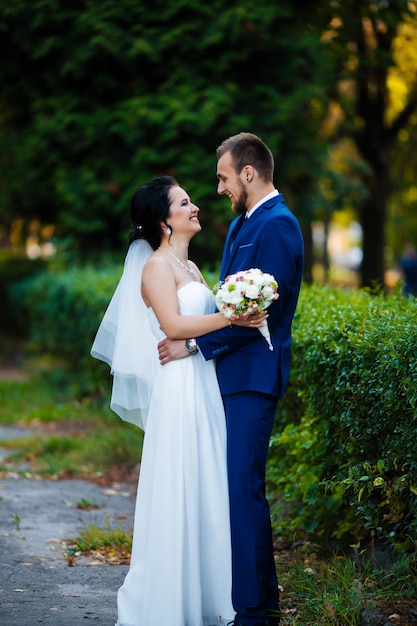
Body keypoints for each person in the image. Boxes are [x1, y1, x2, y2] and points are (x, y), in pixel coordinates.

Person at [90, 175, 267, 626]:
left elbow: (200, 331)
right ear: (164, 221)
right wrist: (231, 317)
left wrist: (231, 319)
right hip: (180, 390)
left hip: (202, 382)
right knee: (182, 480)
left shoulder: (192, 270)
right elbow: (173, 325)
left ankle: (211, 596)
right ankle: (171, 598)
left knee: (208, 481)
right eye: (184, 203)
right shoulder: (157, 266)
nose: (195, 208)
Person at [158, 133, 304, 626]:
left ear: (247, 173)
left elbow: (260, 310)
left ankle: (254, 612)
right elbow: (231, 304)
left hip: (253, 378)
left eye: (222, 177)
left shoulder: (278, 225)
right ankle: (260, 601)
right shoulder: (245, 223)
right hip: (229, 378)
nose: (218, 188)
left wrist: (196, 344)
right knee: (237, 490)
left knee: (243, 490)